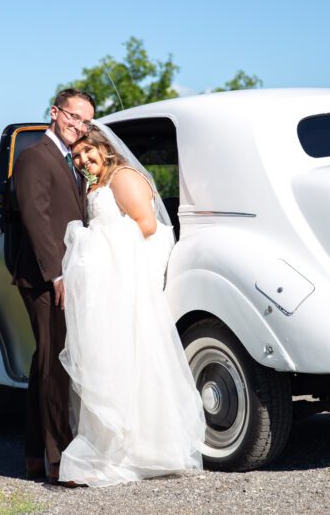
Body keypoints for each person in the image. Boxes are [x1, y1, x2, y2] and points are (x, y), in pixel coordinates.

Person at [58, 125, 206, 487]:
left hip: (126, 279)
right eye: (76, 155)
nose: (83, 159)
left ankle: (143, 448)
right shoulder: (95, 184)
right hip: (108, 280)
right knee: (106, 358)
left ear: (104, 148)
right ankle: (110, 447)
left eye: (88, 151)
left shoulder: (123, 177)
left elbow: (146, 225)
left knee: (132, 354)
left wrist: (89, 242)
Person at [12, 88, 95, 483]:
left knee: (44, 363)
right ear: (55, 112)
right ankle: (60, 460)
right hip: (45, 278)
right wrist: (56, 274)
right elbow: (36, 218)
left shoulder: (73, 161)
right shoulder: (33, 157)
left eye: (86, 122)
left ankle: (33, 455)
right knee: (55, 367)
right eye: (73, 117)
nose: (78, 127)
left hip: (66, 274)